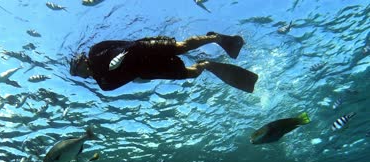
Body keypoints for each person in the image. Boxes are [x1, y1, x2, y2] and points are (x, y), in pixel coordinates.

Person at [69, 31, 258, 93]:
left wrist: (126, 53)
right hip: (148, 70)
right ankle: (206, 65)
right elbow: (126, 78)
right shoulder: (104, 85)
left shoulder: (95, 51)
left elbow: (121, 44)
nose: (80, 70)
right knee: (188, 74)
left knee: (181, 46)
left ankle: (215, 38)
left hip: (142, 48)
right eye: (77, 72)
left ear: (82, 61)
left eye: (78, 66)